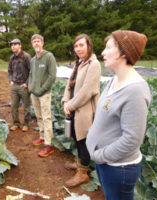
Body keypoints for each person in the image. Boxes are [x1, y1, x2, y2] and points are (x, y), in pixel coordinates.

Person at [86, 30, 151, 200]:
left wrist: (101, 155)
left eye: (108, 48)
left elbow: (131, 140)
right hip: (106, 164)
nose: (102, 52)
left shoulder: (135, 91)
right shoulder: (114, 80)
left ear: (123, 53)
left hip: (118, 168)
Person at [61, 34, 101, 187]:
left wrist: (70, 105)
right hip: (73, 108)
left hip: (84, 110)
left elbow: (88, 91)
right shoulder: (79, 63)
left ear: (89, 46)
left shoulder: (94, 64)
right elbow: (68, 85)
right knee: (76, 138)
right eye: (76, 46)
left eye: (81, 45)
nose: (78, 48)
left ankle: (83, 173)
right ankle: (80, 163)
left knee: (83, 140)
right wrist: (65, 101)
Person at [28, 34, 57, 157]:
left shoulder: (49, 56)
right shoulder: (33, 60)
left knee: (46, 117)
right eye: (34, 42)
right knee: (39, 116)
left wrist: (42, 89)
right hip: (34, 94)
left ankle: (49, 144)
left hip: (44, 93)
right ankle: (42, 136)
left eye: (38, 41)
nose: (36, 43)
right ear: (32, 44)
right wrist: (31, 87)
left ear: (42, 43)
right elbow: (31, 75)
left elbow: (52, 76)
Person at [8, 39, 32, 132]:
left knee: (26, 106)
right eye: (12, 45)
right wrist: (11, 80)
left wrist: (27, 83)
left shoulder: (26, 56)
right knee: (13, 106)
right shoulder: (12, 58)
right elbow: (10, 70)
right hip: (14, 85)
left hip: (23, 86)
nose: (13, 46)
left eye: (15, 44)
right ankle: (16, 123)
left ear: (20, 45)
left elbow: (31, 71)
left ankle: (26, 124)